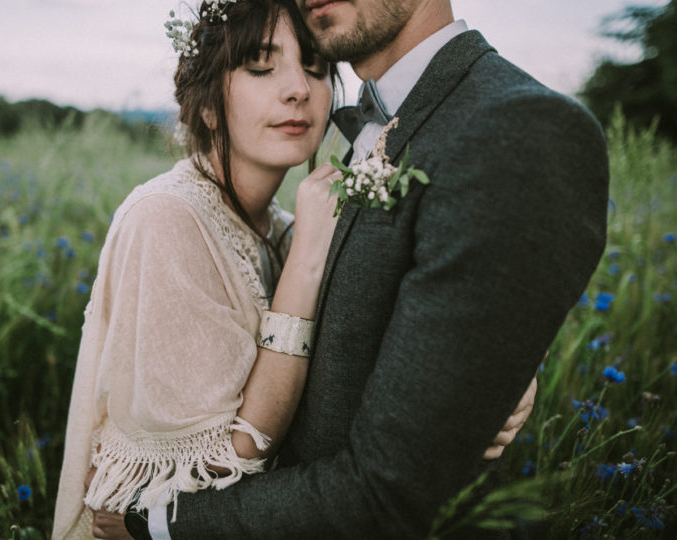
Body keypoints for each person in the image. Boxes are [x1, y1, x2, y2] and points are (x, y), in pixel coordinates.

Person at [132, 0, 609, 539]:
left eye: (310, 71)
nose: (295, 88)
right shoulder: (357, 128)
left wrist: (159, 525)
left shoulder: (521, 128)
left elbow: (390, 490)